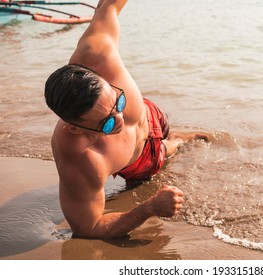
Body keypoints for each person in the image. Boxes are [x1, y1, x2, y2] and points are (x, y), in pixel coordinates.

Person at [44, 0, 209, 239]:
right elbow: (89, 228)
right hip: (142, 158)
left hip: (151, 113)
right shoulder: (80, 162)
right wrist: (149, 208)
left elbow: (110, 5)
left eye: (118, 103)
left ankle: (164, 132)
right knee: (165, 150)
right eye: (107, 124)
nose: (120, 121)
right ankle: (175, 142)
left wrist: (119, 110)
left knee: (156, 123)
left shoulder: (97, 51)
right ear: (75, 128)